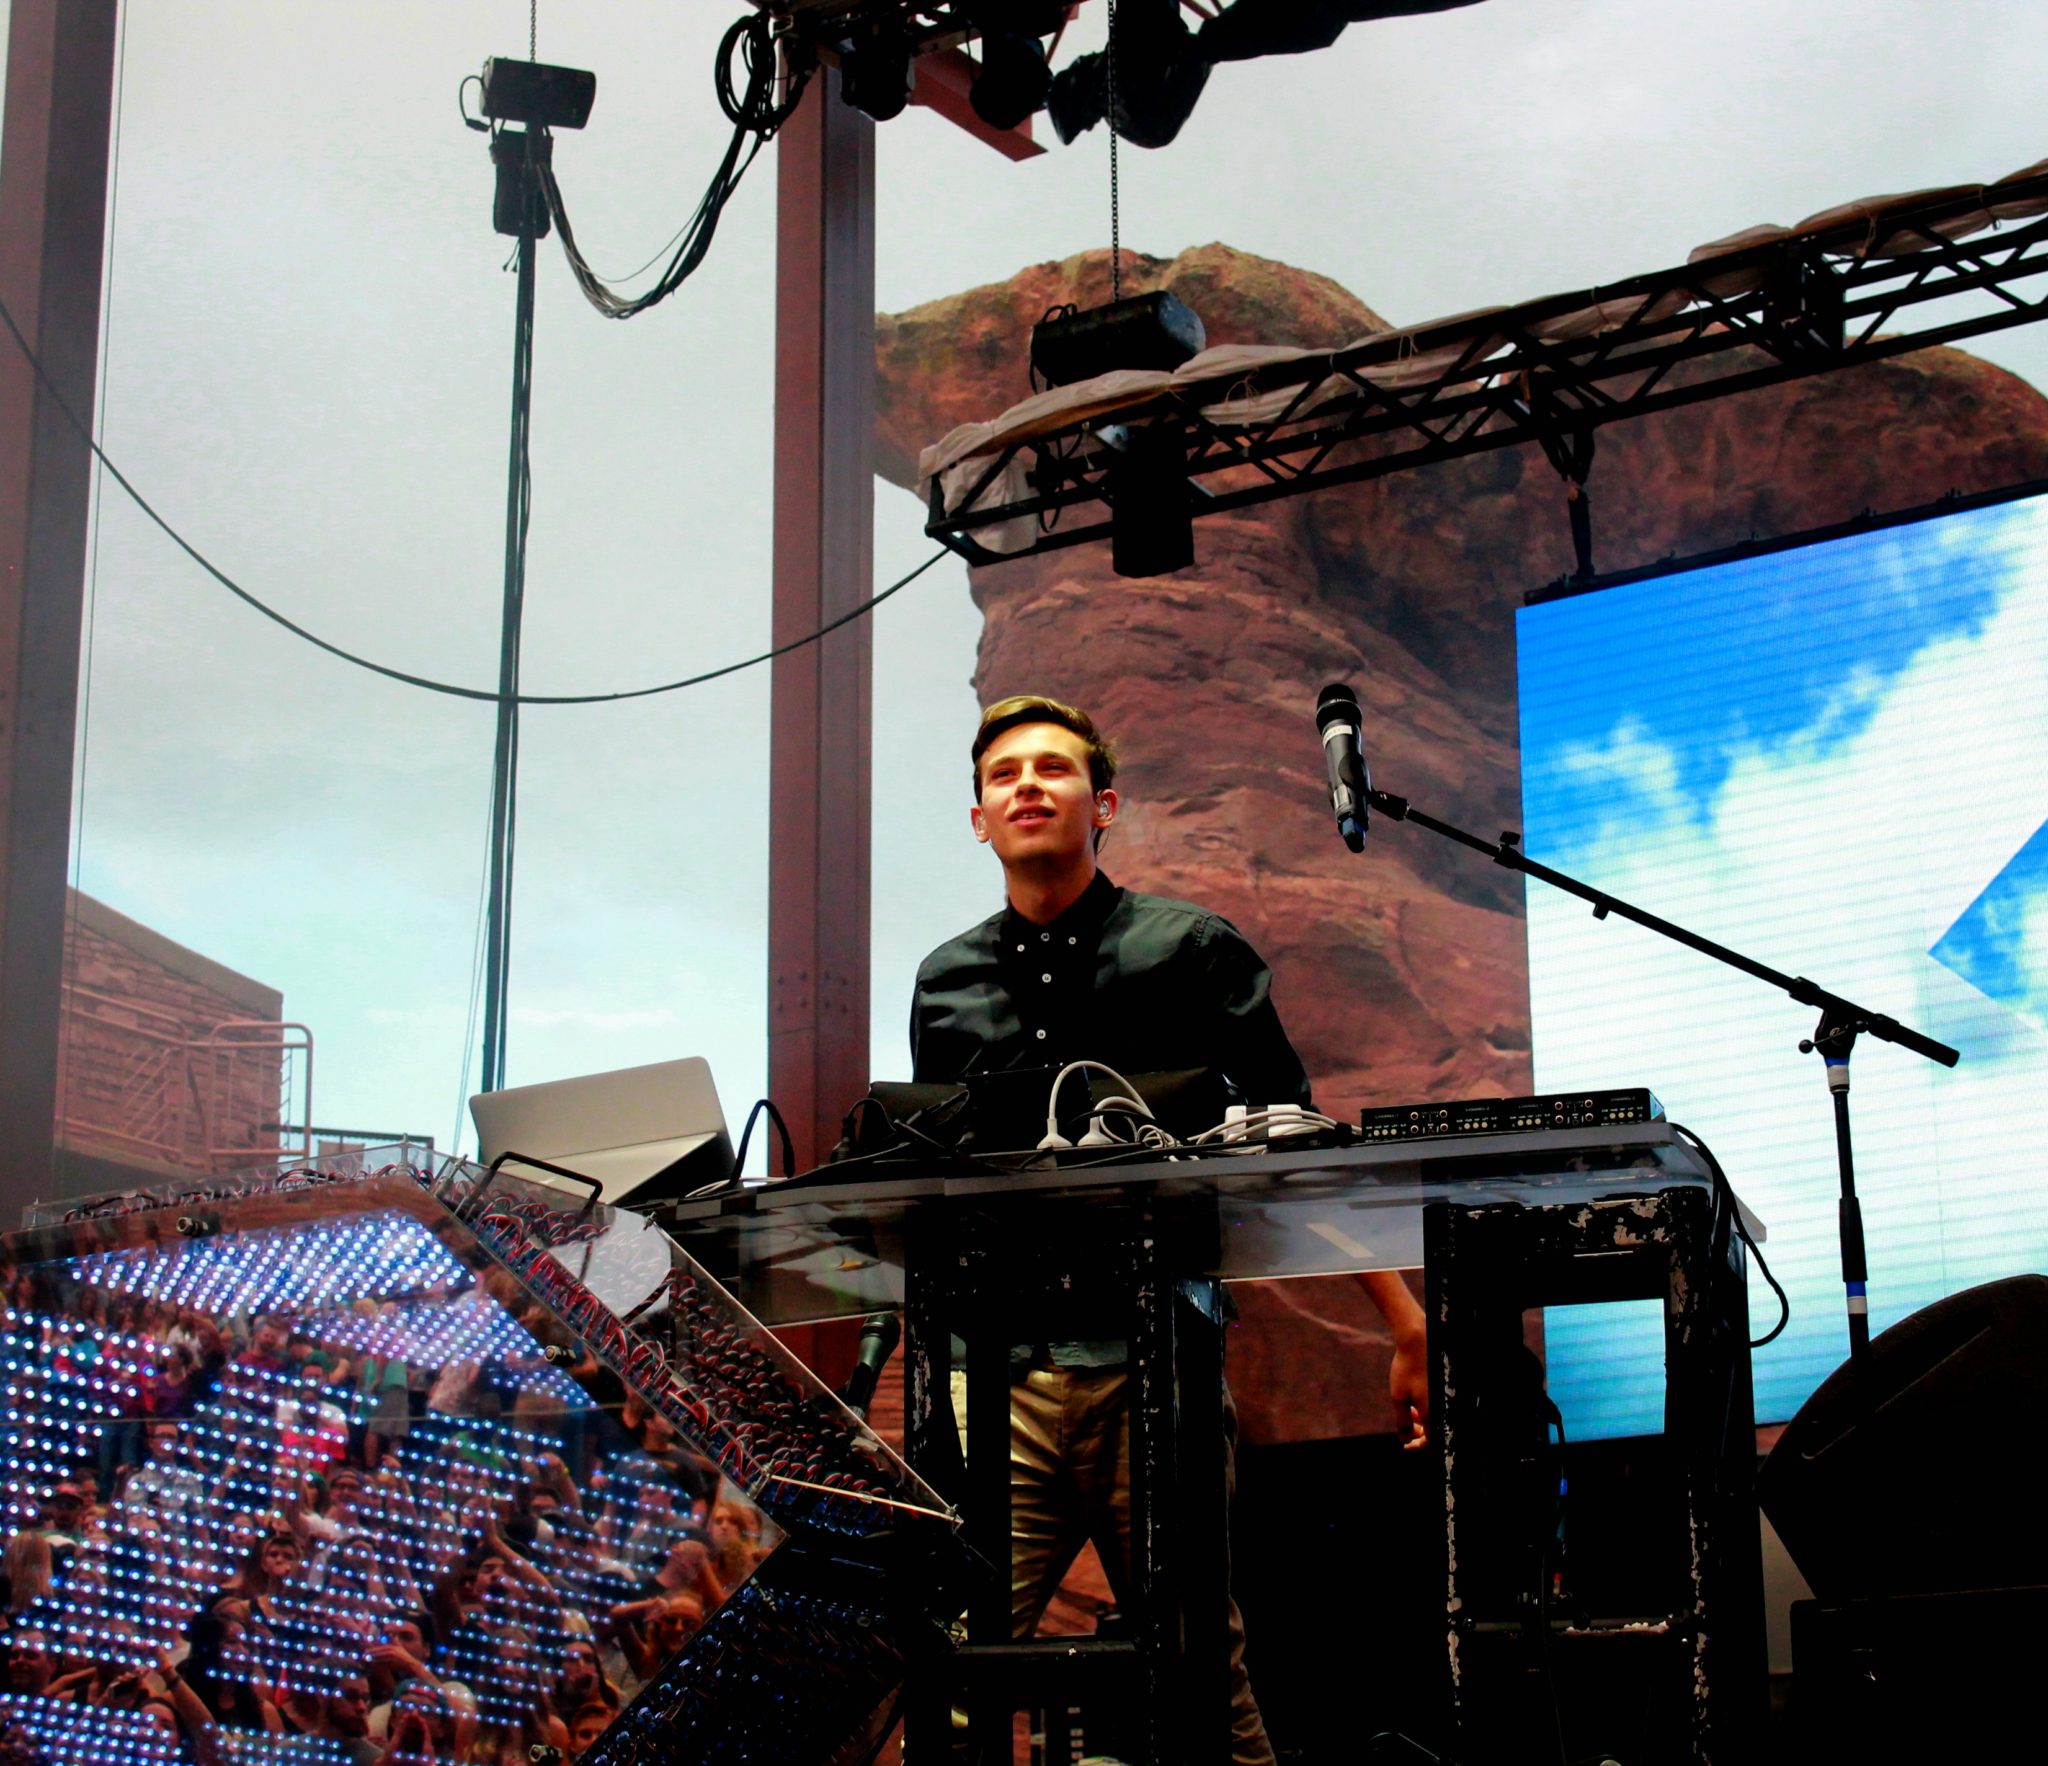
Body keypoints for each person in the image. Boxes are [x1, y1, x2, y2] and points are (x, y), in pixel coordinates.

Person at [911, 694, 1429, 1766]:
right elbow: (933, 1178)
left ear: (1102, 806)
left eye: (1053, 768)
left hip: (1152, 1370)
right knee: (953, 1676)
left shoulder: (1190, 949)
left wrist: (1403, 1318)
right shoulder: (943, 982)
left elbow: (1294, 1143)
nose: (1026, 785)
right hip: (993, 1378)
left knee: (1196, 1672)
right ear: (977, 819)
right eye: (1003, 774)